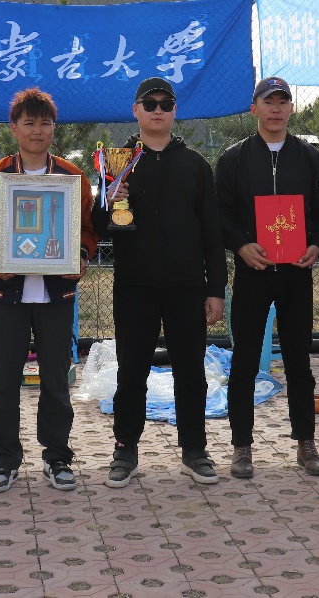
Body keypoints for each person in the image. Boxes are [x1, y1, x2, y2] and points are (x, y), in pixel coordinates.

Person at [0, 88, 98, 493]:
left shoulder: (72, 177)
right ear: (13, 128)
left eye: (45, 123)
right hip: (7, 297)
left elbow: (87, 229)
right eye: (29, 123)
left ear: (55, 128)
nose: (37, 131)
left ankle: (57, 457)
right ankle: (4, 461)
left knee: (56, 381)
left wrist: (81, 255)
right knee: (4, 381)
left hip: (57, 297)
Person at [95, 77, 227, 487]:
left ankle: (194, 450)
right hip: (134, 285)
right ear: (135, 110)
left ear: (174, 111)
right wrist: (111, 200)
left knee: (191, 372)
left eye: (165, 104)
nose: (157, 110)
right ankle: (125, 450)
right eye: (149, 103)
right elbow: (97, 227)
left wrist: (215, 289)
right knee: (131, 371)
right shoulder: (117, 163)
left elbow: (212, 233)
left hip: (186, 285)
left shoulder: (195, 165)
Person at [215, 76, 319, 479]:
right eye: (269, 101)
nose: (276, 108)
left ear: (291, 108)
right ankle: (241, 446)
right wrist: (241, 245)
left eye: (283, 101)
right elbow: (220, 214)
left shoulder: (309, 157)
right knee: (245, 361)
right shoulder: (234, 158)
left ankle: (306, 443)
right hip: (254, 272)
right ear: (255, 109)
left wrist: (316, 245)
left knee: (299, 361)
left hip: (296, 273)